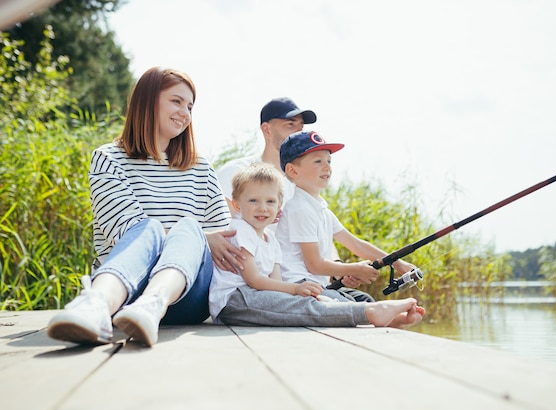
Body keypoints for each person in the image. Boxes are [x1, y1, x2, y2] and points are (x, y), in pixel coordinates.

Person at [47, 66, 244, 347]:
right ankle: (96, 306)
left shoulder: (200, 167)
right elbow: (124, 233)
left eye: (190, 106)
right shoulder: (108, 158)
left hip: (187, 296)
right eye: (176, 101)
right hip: (126, 288)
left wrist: (202, 238)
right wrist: (203, 238)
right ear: (147, 101)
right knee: (148, 228)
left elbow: (224, 243)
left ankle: (152, 304)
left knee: (189, 228)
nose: (185, 113)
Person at [210, 164, 425, 327]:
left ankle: (380, 318)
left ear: (278, 207)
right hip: (234, 301)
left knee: (317, 299)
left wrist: (298, 292)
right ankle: (371, 313)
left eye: (270, 202)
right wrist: (295, 289)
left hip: (256, 296)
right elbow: (254, 280)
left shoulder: (269, 239)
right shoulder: (241, 230)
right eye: (253, 201)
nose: (262, 208)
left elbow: (275, 283)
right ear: (237, 205)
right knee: (302, 306)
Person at [217, 97, 375, 302]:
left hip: (306, 277)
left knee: (362, 301)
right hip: (265, 277)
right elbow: (226, 226)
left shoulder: (301, 183)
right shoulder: (236, 172)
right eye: (290, 125)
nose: (298, 131)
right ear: (267, 129)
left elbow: (321, 231)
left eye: (301, 126)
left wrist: (338, 267)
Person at [276, 130, 418, 291]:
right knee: (364, 310)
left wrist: (399, 263)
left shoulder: (320, 209)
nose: (327, 167)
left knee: (364, 299)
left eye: (329, 161)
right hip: (298, 284)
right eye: (318, 161)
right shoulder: (299, 208)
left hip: (316, 285)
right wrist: (354, 269)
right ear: (293, 171)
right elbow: (315, 265)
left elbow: (356, 245)